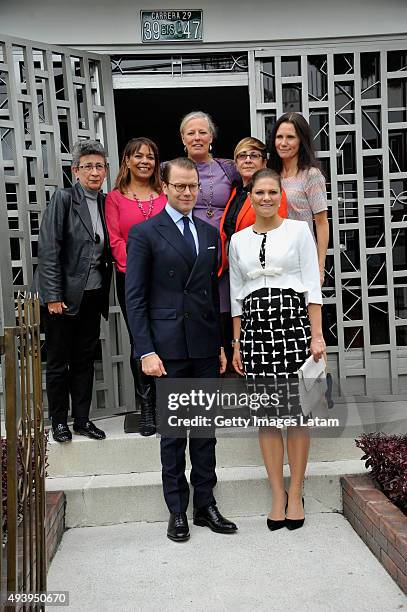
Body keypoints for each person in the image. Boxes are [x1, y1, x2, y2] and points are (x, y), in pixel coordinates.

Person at [126, 157, 238, 542]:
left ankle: (205, 505)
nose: (188, 193)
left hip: (205, 346)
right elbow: (135, 298)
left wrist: (221, 345)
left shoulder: (210, 234)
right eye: (180, 187)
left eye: (193, 186)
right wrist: (145, 350)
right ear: (166, 187)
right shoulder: (145, 233)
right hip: (168, 348)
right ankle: (177, 511)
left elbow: (209, 296)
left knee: (205, 431)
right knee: (174, 434)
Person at [229, 168, 325, 531]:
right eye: (259, 193)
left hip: (293, 326)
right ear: (250, 196)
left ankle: (296, 492)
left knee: (298, 413)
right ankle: (276, 494)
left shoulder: (299, 231)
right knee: (267, 416)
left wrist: (317, 336)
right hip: (255, 330)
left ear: (280, 195)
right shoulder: (237, 240)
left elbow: (312, 288)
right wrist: (237, 343)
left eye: (272, 192)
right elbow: (236, 295)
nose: (266, 198)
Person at [37, 140, 112, 443]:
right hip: (63, 297)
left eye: (99, 166)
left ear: (106, 171)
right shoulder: (64, 199)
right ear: (75, 170)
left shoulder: (108, 202)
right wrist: (53, 296)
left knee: (84, 360)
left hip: (93, 296)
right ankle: (58, 421)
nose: (94, 172)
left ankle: (82, 420)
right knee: (58, 362)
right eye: (88, 166)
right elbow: (49, 249)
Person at [105, 137, 167, 436]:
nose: (145, 161)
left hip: (166, 279)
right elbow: (115, 239)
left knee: (168, 338)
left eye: (151, 156)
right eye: (138, 155)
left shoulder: (165, 193)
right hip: (131, 277)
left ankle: (170, 404)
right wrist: (136, 269)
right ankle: (147, 409)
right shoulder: (114, 198)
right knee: (140, 341)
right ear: (127, 160)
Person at [218, 137, 287, 359]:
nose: (247, 160)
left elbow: (276, 237)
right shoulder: (236, 191)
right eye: (242, 155)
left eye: (254, 155)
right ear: (236, 162)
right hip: (233, 274)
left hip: (260, 277)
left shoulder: (272, 195)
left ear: (264, 162)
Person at [179, 111, 240, 318]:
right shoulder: (170, 169)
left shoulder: (229, 168)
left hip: (225, 250)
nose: (197, 137)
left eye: (203, 132)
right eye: (191, 133)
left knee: (225, 310)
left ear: (211, 137)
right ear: (183, 139)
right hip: (189, 250)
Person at [267, 112, 329, 285]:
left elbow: (322, 222)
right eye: (279, 137)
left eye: (290, 137)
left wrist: (320, 265)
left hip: (302, 258)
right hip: (273, 257)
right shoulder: (271, 176)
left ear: (301, 140)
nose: (283, 143)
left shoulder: (311, 175)